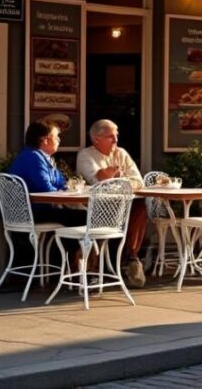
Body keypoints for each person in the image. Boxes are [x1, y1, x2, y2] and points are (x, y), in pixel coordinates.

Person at [76, 119, 147, 288]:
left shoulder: (121, 153)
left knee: (140, 206)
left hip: (122, 206)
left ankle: (131, 258)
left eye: (116, 135)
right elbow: (97, 183)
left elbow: (139, 181)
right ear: (96, 139)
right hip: (95, 208)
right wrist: (119, 179)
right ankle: (96, 268)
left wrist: (114, 178)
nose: (115, 140)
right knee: (135, 208)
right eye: (110, 137)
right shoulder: (86, 155)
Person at [8, 120, 87, 249]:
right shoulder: (33, 157)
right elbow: (46, 189)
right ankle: (69, 259)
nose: (59, 140)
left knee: (80, 213)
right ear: (44, 140)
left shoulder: (43, 157)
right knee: (83, 217)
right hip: (31, 212)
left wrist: (66, 189)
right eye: (56, 137)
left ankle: (67, 259)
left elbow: (62, 184)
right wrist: (63, 190)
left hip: (38, 209)